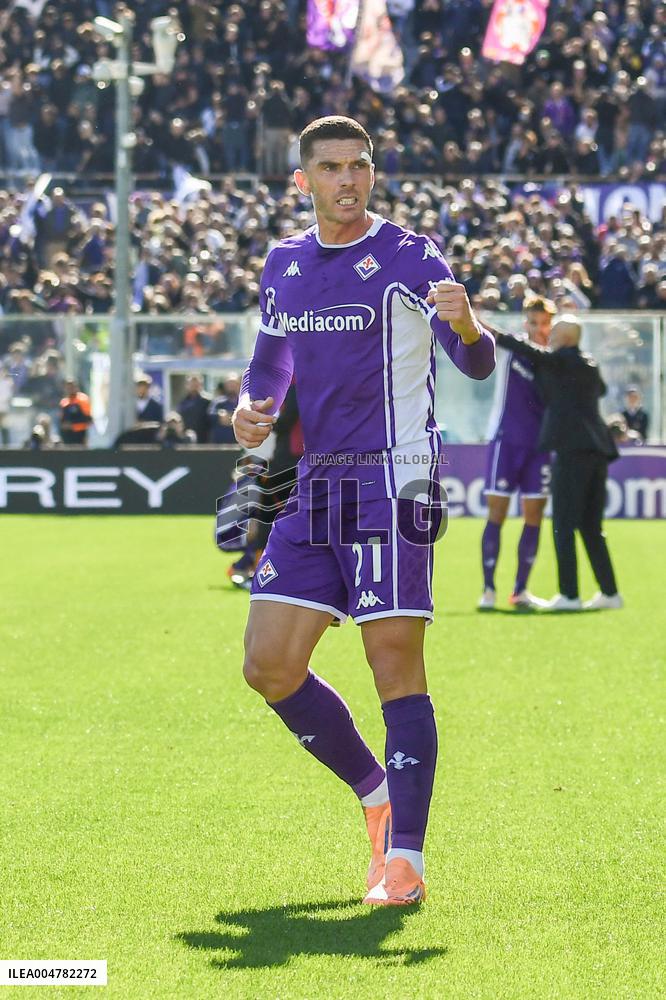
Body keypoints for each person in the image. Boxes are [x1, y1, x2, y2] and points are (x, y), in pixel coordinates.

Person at [232, 116, 495, 906]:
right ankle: (377, 797)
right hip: (314, 483)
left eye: (360, 166)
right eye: (331, 167)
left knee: (394, 669)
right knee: (269, 665)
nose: (348, 180)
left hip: (398, 478)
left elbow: (475, 364)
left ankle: (406, 862)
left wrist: (466, 320)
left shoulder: (411, 257)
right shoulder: (283, 262)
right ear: (303, 179)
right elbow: (270, 361)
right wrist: (254, 408)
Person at [493, 316, 622, 612]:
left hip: (571, 451)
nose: (548, 337)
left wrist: (490, 330)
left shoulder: (559, 361)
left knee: (563, 524)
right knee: (591, 526)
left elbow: (525, 349)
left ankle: (570, 595)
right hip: (598, 451)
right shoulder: (588, 365)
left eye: (554, 334)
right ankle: (610, 592)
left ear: (565, 338)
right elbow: (599, 390)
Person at [479, 297, 556, 611]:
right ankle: (487, 590)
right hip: (506, 442)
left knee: (534, 516)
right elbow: (490, 334)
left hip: (540, 448)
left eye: (545, 323)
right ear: (527, 323)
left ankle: (520, 590)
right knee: (496, 514)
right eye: (535, 323)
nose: (540, 329)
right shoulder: (512, 349)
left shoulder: (555, 361)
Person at [177, 375, 211, 443]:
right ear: (187, 385)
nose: (194, 387)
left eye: (196, 385)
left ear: (201, 385)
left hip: (204, 439)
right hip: (187, 440)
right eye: (192, 385)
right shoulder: (183, 402)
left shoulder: (208, 402)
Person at [58, 377, 92, 445]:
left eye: (72, 387)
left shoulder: (82, 400)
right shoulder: (64, 402)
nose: (70, 390)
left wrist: (73, 425)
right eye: (68, 388)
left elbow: (88, 419)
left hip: (80, 434)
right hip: (67, 436)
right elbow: (62, 421)